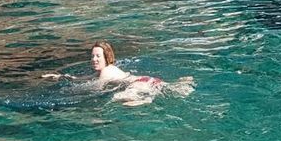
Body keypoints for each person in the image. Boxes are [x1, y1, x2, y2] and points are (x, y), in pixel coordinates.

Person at [43, 41, 193, 107]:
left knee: (118, 97)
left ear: (107, 57)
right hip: (148, 80)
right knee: (169, 89)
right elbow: (82, 79)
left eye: (98, 56)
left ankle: (147, 100)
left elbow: (94, 89)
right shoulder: (104, 71)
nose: (94, 59)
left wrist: (71, 93)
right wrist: (60, 77)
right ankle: (180, 83)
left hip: (139, 84)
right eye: (92, 56)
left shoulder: (106, 72)